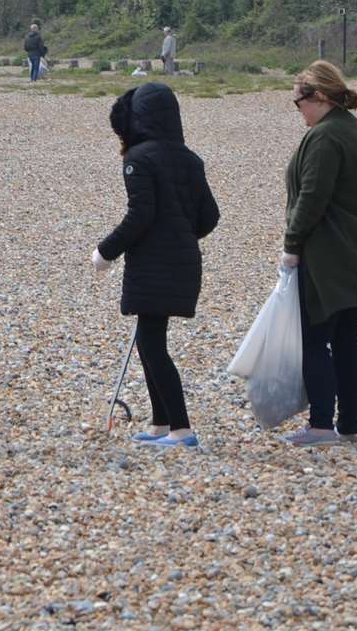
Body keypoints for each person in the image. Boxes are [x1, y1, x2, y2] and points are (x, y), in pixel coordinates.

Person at [91, 83, 220, 449]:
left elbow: (140, 216)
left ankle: (181, 428)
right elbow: (209, 217)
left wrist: (105, 251)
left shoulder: (139, 159)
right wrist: (179, 235)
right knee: (150, 342)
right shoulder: (190, 158)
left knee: (153, 346)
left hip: (153, 263)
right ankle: (160, 423)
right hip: (183, 260)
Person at [281, 61, 357, 447]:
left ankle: (320, 425)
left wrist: (292, 246)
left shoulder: (327, 137)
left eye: (298, 101)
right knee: (348, 338)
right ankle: (349, 426)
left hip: (330, 255)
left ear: (319, 98)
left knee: (315, 338)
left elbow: (313, 198)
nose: (297, 109)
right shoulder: (350, 127)